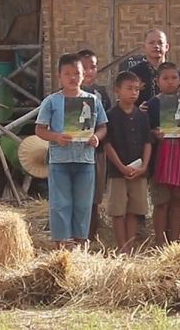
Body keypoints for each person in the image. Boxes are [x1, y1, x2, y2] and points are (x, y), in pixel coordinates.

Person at [35, 53, 108, 249]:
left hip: (85, 159)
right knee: (60, 203)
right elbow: (40, 130)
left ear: (84, 75)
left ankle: (80, 245)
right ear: (59, 76)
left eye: (77, 73)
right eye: (67, 73)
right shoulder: (51, 101)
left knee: (83, 204)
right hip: (60, 160)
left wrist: (96, 138)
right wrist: (57, 137)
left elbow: (102, 127)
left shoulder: (93, 100)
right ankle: (62, 246)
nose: (72, 78)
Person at [147, 62, 180, 246]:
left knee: (178, 201)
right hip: (160, 159)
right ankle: (161, 241)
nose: (170, 82)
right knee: (161, 202)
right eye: (165, 78)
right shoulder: (151, 105)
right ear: (157, 81)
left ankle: (175, 241)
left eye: (174, 78)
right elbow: (146, 132)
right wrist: (155, 134)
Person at [103, 71, 152, 254]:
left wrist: (145, 166)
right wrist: (121, 166)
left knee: (134, 210)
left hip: (139, 172)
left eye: (137, 89)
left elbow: (148, 143)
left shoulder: (142, 116)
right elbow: (107, 144)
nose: (133, 93)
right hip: (117, 173)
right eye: (129, 89)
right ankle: (122, 247)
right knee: (118, 210)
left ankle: (131, 247)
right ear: (117, 90)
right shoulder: (110, 116)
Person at [77, 49, 112, 242]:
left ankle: (90, 236)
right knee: (75, 196)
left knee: (94, 198)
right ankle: (74, 236)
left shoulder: (101, 94)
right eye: (85, 67)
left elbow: (105, 124)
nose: (89, 71)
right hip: (71, 152)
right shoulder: (63, 95)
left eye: (93, 66)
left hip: (96, 152)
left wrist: (97, 138)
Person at [130, 29, 180, 106]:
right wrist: (137, 110)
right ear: (144, 47)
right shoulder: (134, 73)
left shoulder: (178, 75)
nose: (156, 46)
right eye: (151, 43)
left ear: (167, 47)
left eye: (160, 43)